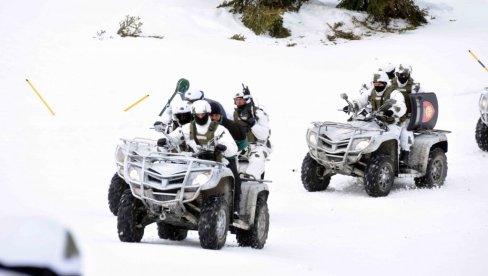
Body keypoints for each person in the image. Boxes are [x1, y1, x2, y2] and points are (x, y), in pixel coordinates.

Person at [158, 100, 241, 216]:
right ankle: (170, 198)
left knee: (234, 179)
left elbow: (233, 148)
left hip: (216, 163)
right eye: (198, 115)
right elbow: (175, 138)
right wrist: (166, 141)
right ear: (194, 115)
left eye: (203, 114)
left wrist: (224, 147)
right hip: (193, 163)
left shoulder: (219, 130)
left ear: (208, 114)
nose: (200, 117)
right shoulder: (187, 128)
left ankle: (235, 208)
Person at [345, 70, 407, 157]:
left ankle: (394, 158)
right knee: (360, 133)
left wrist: (392, 111)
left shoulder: (394, 93)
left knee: (392, 138)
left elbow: (401, 106)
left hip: (392, 123)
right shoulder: (371, 92)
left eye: (380, 84)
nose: (377, 86)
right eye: (375, 83)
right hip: (375, 120)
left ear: (385, 83)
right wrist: (352, 106)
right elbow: (361, 101)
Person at [209, 101, 247, 216]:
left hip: (227, 158)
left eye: (216, 115)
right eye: (211, 115)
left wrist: (229, 151)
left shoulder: (231, 126)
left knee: (235, 181)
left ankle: (235, 209)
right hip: (207, 159)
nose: (214, 118)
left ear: (221, 115)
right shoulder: (201, 127)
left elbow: (243, 143)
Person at [233, 85, 271, 180]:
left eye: (241, 99)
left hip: (258, 145)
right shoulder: (235, 113)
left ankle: (253, 180)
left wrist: (252, 123)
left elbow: (263, 135)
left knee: (257, 161)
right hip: (241, 146)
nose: (238, 102)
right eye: (236, 99)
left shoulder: (257, 113)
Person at [395, 63, 424, 167]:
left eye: (405, 74)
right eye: (400, 74)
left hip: (408, 116)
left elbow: (422, 102)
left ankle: (405, 156)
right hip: (391, 115)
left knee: (405, 132)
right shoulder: (391, 84)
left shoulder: (415, 85)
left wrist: (416, 94)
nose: (402, 77)